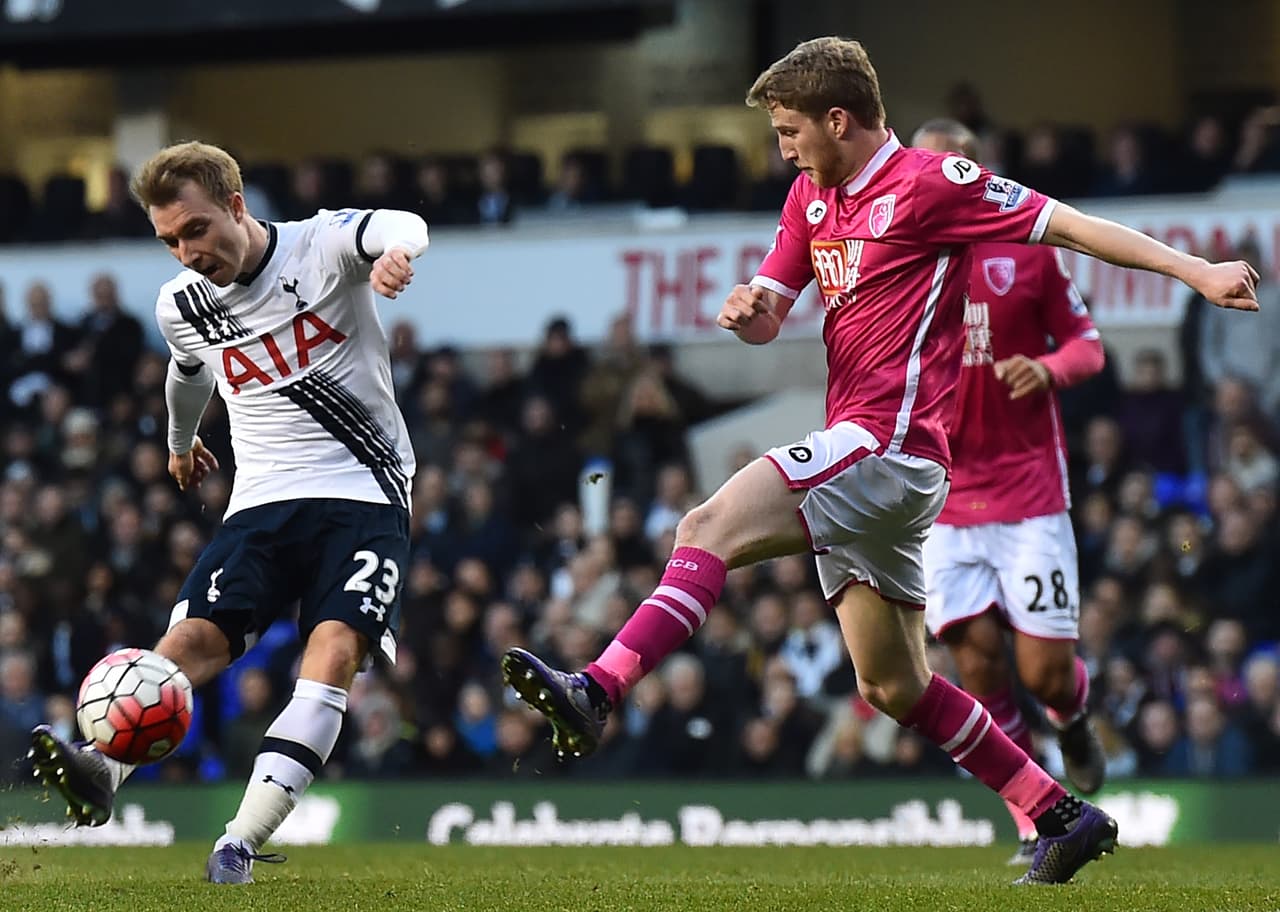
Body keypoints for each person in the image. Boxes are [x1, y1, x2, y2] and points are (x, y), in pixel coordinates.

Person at [501, 37, 1257, 887]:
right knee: (893, 685)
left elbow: (1072, 225)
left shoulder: (934, 184)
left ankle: (598, 689)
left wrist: (1196, 271)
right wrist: (749, 313)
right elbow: (771, 310)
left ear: (838, 120)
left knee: (705, 526)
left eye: (790, 131)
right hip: (875, 463)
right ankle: (1059, 813)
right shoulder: (809, 196)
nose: (782, 149)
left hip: (886, 446)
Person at [27, 141, 431, 884]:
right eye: (170, 241)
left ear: (236, 207)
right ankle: (102, 770)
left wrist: (396, 255)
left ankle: (239, 841)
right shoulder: (181, 304)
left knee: (333, 653)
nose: (187, 253)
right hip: (263, 501)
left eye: (196, 230)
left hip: (364, 491)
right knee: (189, 642)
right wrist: (180, 442)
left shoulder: (322, 245)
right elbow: (188, 372)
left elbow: (402, 223)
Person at [911, 118, 1107, 866]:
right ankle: (1035, 819)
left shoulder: (1027, 248)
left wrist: (1049, 369)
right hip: (939, 496)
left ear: (978, 173)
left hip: (1028, 492)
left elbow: (1089, 347)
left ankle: (1072, 716)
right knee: (978, 662)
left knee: (1044, 674)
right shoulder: (900, 258)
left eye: (954, 168)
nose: (940, 182)